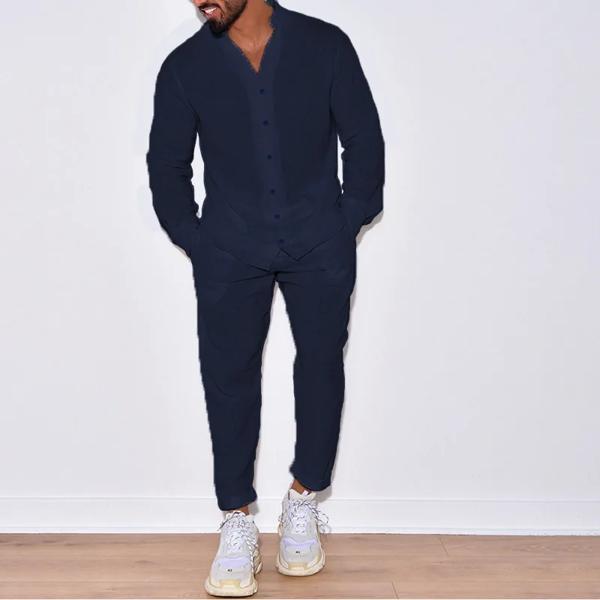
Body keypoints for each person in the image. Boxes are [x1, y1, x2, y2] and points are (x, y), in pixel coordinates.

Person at [146, 0, 384, 595]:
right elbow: (167, 166)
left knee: (321, 365)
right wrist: (199, 242)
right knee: (227, 377)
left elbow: (364, 141)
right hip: (228, 249)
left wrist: (346, 221)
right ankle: (236, 520)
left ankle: (303, 500)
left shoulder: (326, 46)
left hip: (319, 242)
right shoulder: (183, 68)